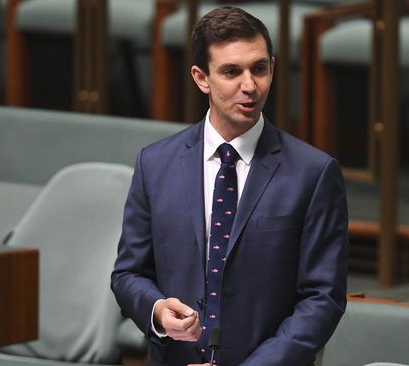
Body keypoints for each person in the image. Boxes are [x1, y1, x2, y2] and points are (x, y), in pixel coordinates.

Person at [111, 6, 348, 366]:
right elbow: (129, 273)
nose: (250, 86)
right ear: (201, 78)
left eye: (259, 69)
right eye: (231, 72)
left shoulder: (314, 173)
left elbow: (322, 298)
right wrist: (157, 310)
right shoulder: (154, 164)